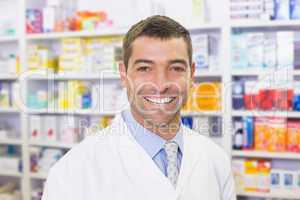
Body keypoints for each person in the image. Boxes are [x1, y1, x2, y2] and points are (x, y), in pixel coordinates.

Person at [42, 15, 236, 200]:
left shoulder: (216, 160)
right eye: (144, 68)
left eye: (176, 68)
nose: (161, 85)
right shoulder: (72, 171)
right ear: (123, 74)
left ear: (191, 74)